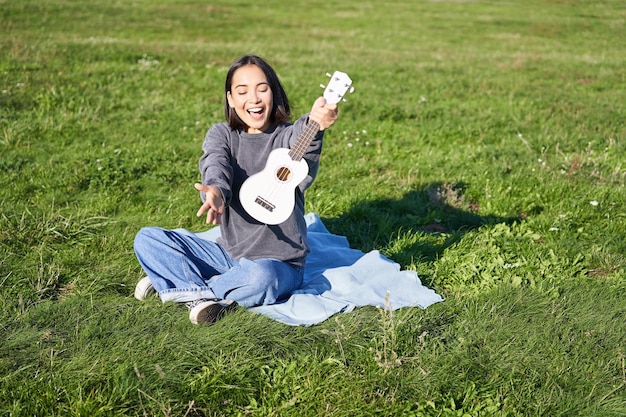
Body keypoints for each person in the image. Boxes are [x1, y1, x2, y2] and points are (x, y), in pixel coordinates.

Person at [133, 55, 339, 325]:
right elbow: (215, 166)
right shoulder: (223, 135)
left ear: (274, 93)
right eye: (242, 91)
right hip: (228, 253)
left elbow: (304, 139)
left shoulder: (286, 135)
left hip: (279, 263)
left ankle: (179, 285)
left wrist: (316, 122)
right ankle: (202, 292)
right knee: (147, 239)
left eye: (262, 89)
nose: (253, 99)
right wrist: (215, 193)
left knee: (261, 278)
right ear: (230, 98)